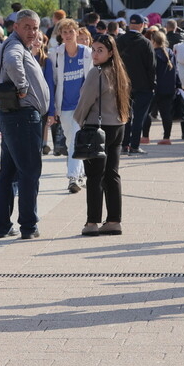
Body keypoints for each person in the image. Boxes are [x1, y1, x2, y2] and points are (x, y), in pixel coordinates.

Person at [0, 9, 49, 239]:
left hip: (14, 117)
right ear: (15, 27)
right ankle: (28, 225)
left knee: (8, 172)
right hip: (22, 118)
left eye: (35, 27)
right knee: (29, 172)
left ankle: (3, 226)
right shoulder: (15, 46)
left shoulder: (18, 45)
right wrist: (23, 87)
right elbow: (12, 62)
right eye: (27, 27)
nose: (32, 32)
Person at [73, 34, 131, 236]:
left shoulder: (96, 73)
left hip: (97, 129)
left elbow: (85, 102)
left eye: (100, 50)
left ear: (110, 52)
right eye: (94, 49)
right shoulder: (119, 72)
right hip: (117, 126)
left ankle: (92, 223)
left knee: (94, 177)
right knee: (112, 174)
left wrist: (78, 121)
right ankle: (114, 220)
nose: (95, 54)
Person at [46, 19, 94, 193]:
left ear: (76, 33)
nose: (67, 35)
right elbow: (51, 83)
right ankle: (80, 174)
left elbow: (94, 79)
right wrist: (52, 110)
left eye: (70, 32)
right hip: (64, 105)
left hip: (83, 105)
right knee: (70, 140)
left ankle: (72, 178)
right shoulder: (55, 54)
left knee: (75, 139)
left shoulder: (87, 53)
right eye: (64, 32)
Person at [116, 14, 156, 155]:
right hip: (143, 85)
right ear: (141, 25)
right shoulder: (145, 43)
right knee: (139, 117)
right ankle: (134, 145)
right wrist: (153, 85)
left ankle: (124, 144)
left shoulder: (119, 41)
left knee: (125, 116)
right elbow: (151, 67)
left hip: (123, 85)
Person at [142, 30, 177, 145]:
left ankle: (145, 136)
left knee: (146, 112)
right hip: (168, 88)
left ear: (153, 41)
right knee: (166, 113)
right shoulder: (170, 52)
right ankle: (167, 137)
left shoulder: (152, 53)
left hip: (154, 88)